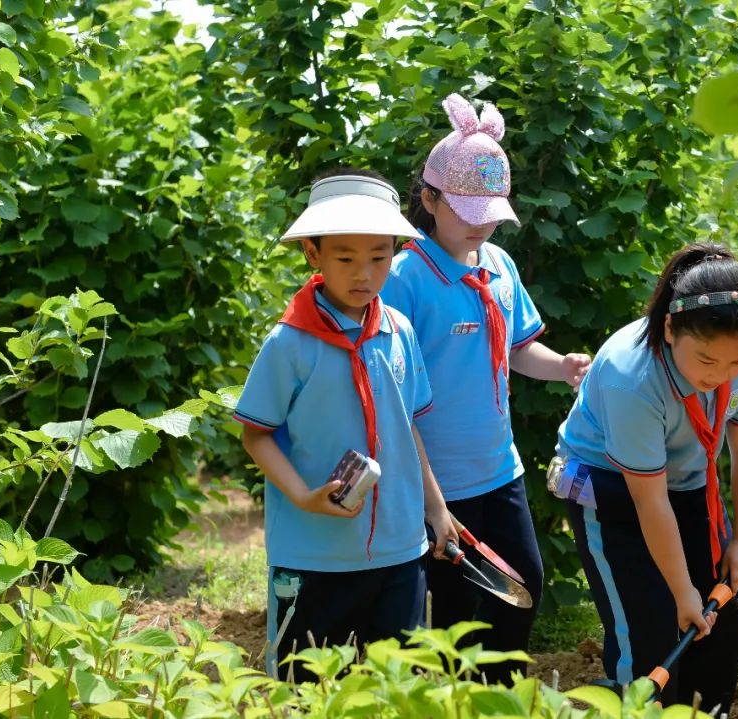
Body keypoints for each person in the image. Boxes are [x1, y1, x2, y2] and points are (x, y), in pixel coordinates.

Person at [380, 93, 591, 684]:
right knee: (451, 613)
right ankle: (452, 700)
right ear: (429, 199)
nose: (481, 223)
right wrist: (428, 498)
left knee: (522, 586)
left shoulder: (497, 264)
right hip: (433, 481)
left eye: (490, 210)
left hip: (499, 470)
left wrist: (564, 366)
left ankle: (496, 695)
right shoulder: (404, 278)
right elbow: (393, 391)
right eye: (467, 210)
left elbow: (519, 348)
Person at [233, 170, 455, 681]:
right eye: (346, 258)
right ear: (313, 254)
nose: (364, 273)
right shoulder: (289, 344)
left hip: (400, 550)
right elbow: (256, 433)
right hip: (314, 556)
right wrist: (303, 495)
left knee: (393, 689)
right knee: (306, 688)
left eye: (379, 257)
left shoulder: (398, 331)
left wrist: (436, 509)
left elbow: (408, 427)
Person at [553, 242, 738, 711]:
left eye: (736, 362)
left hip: (690, 481)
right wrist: (682, 591)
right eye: (707, 362)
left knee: (725, 618)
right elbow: (650, 503)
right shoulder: (629, 376)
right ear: (670, 329)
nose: (722, 375)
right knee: (652, 635)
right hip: (613, 492)